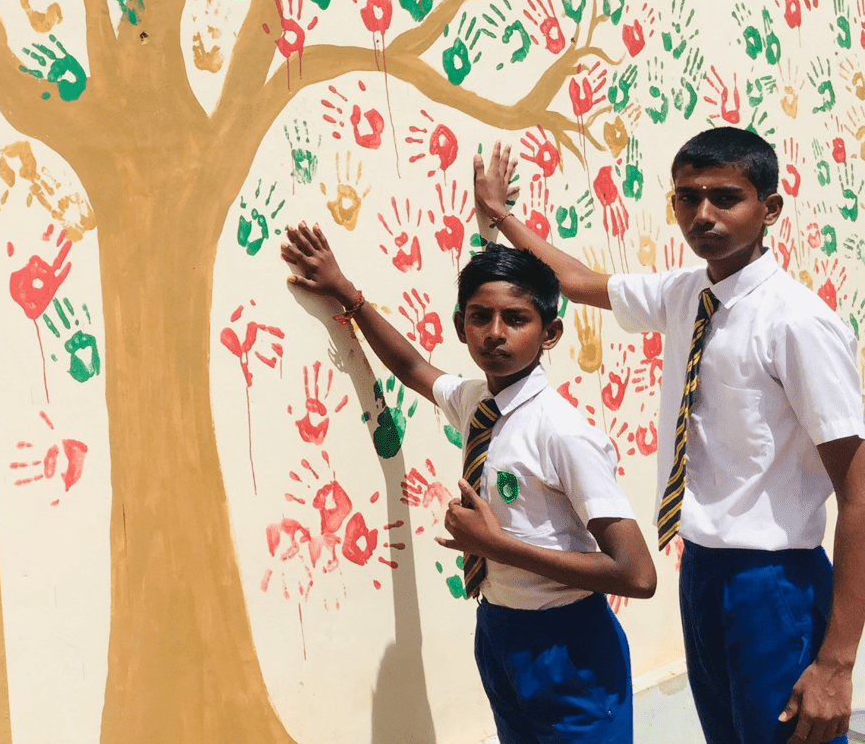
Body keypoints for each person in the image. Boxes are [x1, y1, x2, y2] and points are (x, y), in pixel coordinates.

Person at [473, 126, 865, 744]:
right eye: (687, 197)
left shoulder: (798, 324)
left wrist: (838, 664)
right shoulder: (687, 294)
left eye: (724, 197)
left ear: (769, 209)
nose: (702, 214)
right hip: (702, 571)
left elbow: (858, 490)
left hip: (776, 583)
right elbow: (576, 281)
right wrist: (499, 216)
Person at [282, 227, 656, 744]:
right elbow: (412, 366)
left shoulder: (563, 433)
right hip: (499, 631)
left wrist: (497, 546)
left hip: (569, 646)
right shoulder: (476, 401)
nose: (495, 333)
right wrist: (346, 292)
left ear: (550, 333)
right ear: (461, 326)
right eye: (480, 317)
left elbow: (636, 575)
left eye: (516, 319)